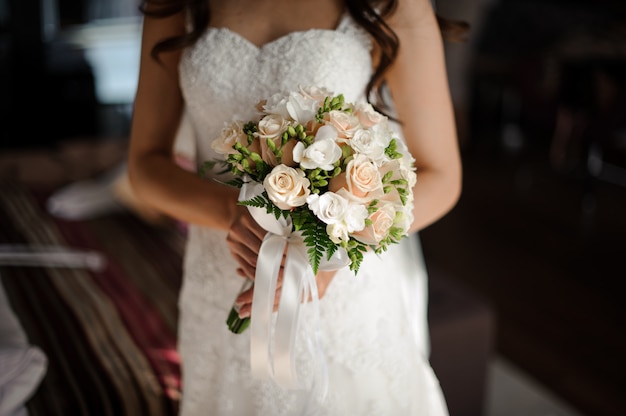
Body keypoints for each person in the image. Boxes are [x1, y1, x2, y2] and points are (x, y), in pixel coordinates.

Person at [128, 0, 463, 414]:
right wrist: (230, 211)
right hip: (223, 277)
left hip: (341, 285)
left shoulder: (393, 4)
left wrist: (327, 253)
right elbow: (144, 163)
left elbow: (442, 175)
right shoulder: (175, 4)